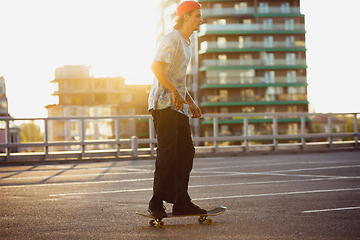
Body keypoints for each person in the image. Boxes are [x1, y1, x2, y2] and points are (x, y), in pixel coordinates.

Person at [147, 1, 206, 220]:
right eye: (197, 16)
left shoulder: (187, 42)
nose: (201, 19)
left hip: (178, 106)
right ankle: (156, 203)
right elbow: (156, 66)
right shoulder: (172, 38)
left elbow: (178, 80)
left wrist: (190, 102)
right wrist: (174, 92)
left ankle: (181, 201)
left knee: (186, 152)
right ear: (185, 17)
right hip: (163, 105)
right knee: (167, 154)